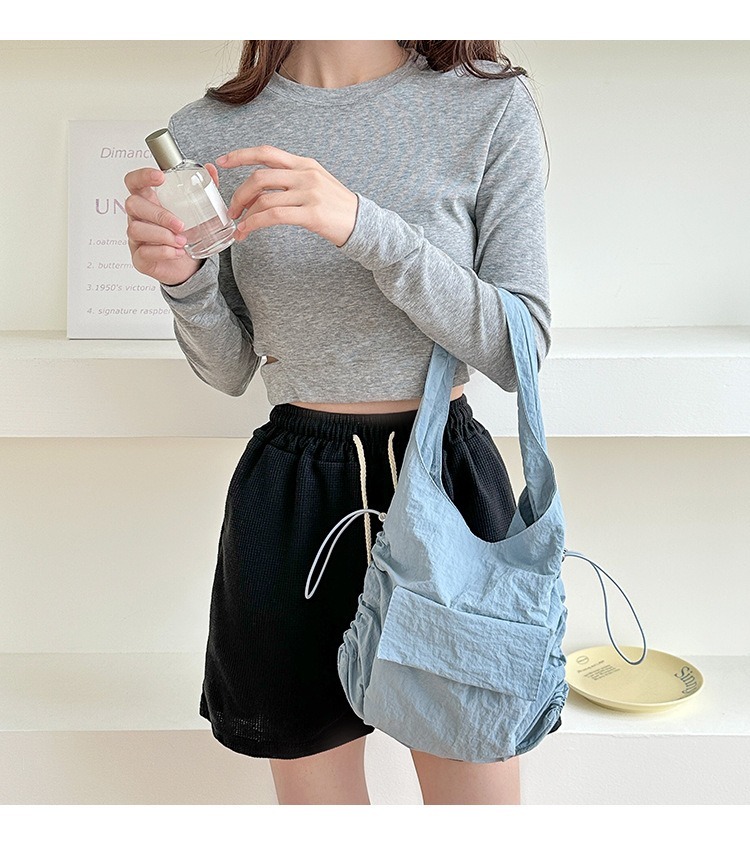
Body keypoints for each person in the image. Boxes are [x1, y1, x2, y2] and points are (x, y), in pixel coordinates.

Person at [124, 39, 557, 805]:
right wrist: (183, 281)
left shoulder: (487, 105)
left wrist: (363, 226)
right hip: (292, 497)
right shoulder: (205, 133)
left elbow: (516, 347)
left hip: (444, 482)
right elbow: (230, 368)